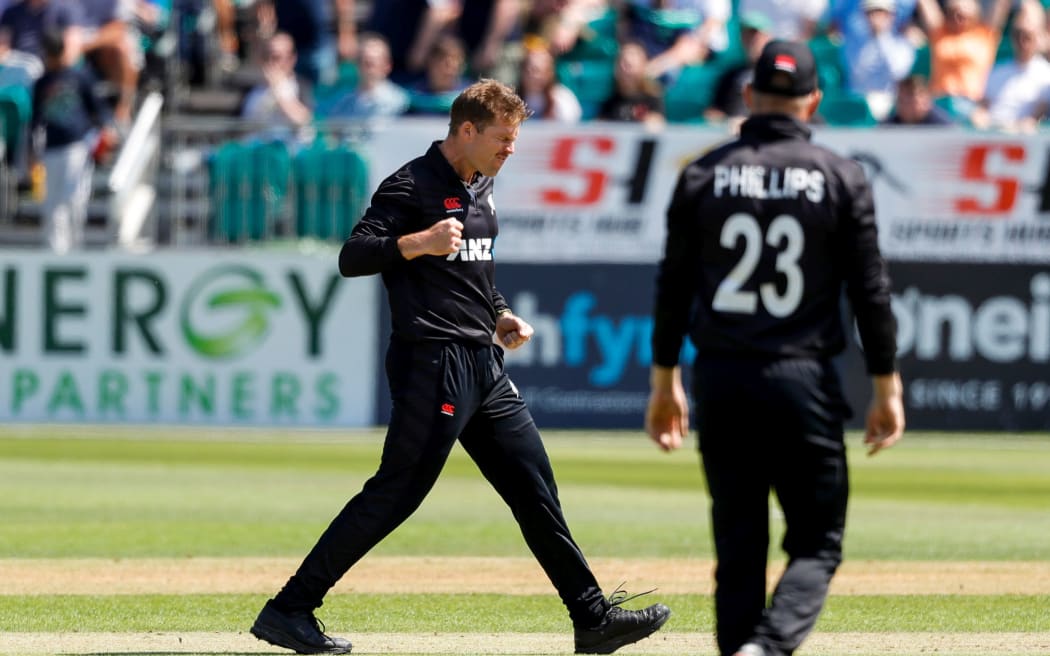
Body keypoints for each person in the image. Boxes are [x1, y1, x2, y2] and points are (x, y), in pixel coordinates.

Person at [250, 78, 672, 656]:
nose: (511, 149)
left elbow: (476, 273)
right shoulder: (409, 184)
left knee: (534, 486)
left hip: (484, 364)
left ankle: (592, 617)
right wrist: (416, 242)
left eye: (514, 138)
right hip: (433, 361)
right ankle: (290, 608)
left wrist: (500, 314)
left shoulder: (481, 185)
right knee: (397, 492)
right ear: (467, 130)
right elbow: (353, 256)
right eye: (503, 138)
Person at [645, 40, 905, 656]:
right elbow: (870, 291)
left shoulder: (702, 173)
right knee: (817, 542)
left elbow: (673, 288)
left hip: (721, 377)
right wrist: (886, 385)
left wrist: (664, 381)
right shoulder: (841, 175)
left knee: (738, 545)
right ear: (814, 101)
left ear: (748, 95)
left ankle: (747, 648)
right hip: (801, 378)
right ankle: (766, 648)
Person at [30, 23, 117, 253]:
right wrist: (32, 151)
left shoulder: (79, 76)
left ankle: (75, 250)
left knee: (73, 201)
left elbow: (98, 108)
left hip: (76, 146)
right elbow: (36, 120)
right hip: (50, 149)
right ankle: (54, 252)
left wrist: (107, 129)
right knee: (51, 205)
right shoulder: (42, 82)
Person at [969, 1, 1050, 133]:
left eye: (1027, 36)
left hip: (1025, 136)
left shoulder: (1046, 74)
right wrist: (979, 118)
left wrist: (1023, 126)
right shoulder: (997, 70)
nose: (1022, 42)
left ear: (1037, 38)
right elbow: (983, 107)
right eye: (1018, 35)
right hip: (992, 133)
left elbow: (1036, 116)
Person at [916, 0, 1012, 105]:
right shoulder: (940, 33)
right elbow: (926, 5)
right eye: (953, 13)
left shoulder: (985, 35)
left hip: (971, 102)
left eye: (963, 16)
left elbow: (1000, 4)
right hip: (939, 100)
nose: (957, 18)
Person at [841, 0, 916, 121]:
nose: (875, 17)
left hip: (891, 101)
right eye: (870, 13)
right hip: (858, 102)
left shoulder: (903, 45)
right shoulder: (853, 44)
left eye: (881, 13)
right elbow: (856, 74)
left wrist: (881, 37)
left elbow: (897, 73)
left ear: (892, 16)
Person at [321, 32, 409, 121]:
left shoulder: (401, 103)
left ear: (387, 65)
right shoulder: (342, 104)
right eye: (363, 61)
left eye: (373, 62)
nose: (368, 69)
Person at [239, 32, 314, 130]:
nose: (271, 62)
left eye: (276, 57)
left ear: (292, 59)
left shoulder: (303, 86)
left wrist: (279, 88)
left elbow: (304, 121)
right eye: (267, 56)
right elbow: (244, 125)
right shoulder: (251, 88)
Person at [597, 39, 666, 127]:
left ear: (643, 66)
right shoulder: (610, 102)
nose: (625, 71)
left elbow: (656, 124)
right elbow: (600, 127)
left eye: (629, 66)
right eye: (622, 64)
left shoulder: (653, 98)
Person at [516, 35, 583, 122]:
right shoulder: (512, 99)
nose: (533, 76)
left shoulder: (562, 99)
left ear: (549, 73)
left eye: (538, 71)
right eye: (528, 70)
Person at [882, 73, 956, 124]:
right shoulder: (887, 127)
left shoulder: (943, 126)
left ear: (926, 99)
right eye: (901, 100)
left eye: (911, 99)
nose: (907, 106)